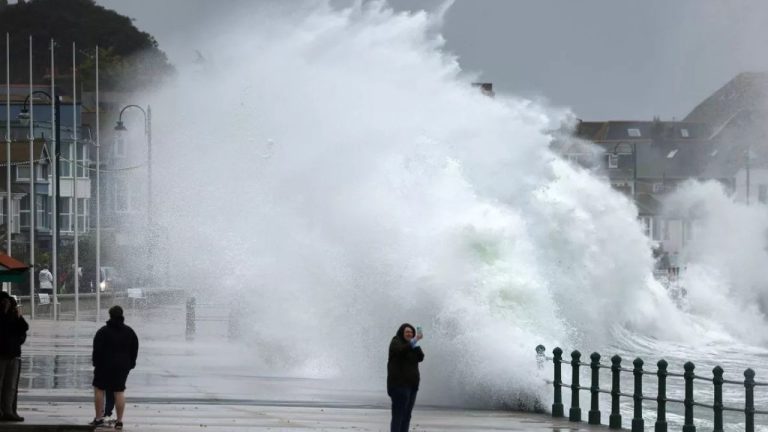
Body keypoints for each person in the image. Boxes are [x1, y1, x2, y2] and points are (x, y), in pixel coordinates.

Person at [90, 306, 139, 430]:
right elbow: (134, 349)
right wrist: (131, 363)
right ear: (122, 315)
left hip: (104, 365)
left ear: (110, 315)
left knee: (99, 390)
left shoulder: (103, 331)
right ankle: (119, 421)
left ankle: (98, 418)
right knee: (119, 392)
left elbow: (97, 350)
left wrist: (96, 363)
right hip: (122, 366)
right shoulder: (130, 332)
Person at [387, 323, 424, 432]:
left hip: (412, 386)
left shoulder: (412, 345)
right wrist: (414, 340)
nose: (410, 334)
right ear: (402, 332)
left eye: (412, 332)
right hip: (399, 386)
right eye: (407, 332)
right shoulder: (395, 342)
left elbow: (421, 357)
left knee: (407, 415)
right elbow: (401, 351)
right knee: (398, 414)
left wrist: (416, 342)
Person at [0, 292, 28, 422]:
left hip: (14, 354)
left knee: (11, 386)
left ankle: (9, 410)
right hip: (2, 354)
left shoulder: (13, 314)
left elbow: (24, 328)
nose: (6, 304)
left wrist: (17, 314)